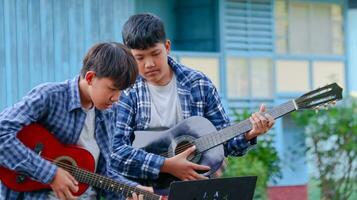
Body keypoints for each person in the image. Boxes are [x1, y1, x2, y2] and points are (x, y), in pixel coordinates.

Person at [110, 13, 275, 189]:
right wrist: (166, 165)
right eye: (140, 58)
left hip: (193, 189)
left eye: (155, 53)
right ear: (129, 55)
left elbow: (222, 143)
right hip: (144, 192)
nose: (149, 64)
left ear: (167, 47)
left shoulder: (199, 84)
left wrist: (250, 133)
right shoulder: (125, 91)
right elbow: (115, 153)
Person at [0, 42, 139, 200]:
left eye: (121, 91)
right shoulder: (50, 96)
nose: (117, 98)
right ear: (90, 78)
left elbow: (101, 173)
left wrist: (131, 190)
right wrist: (51, 174)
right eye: (113, 89)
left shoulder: (109, 112)